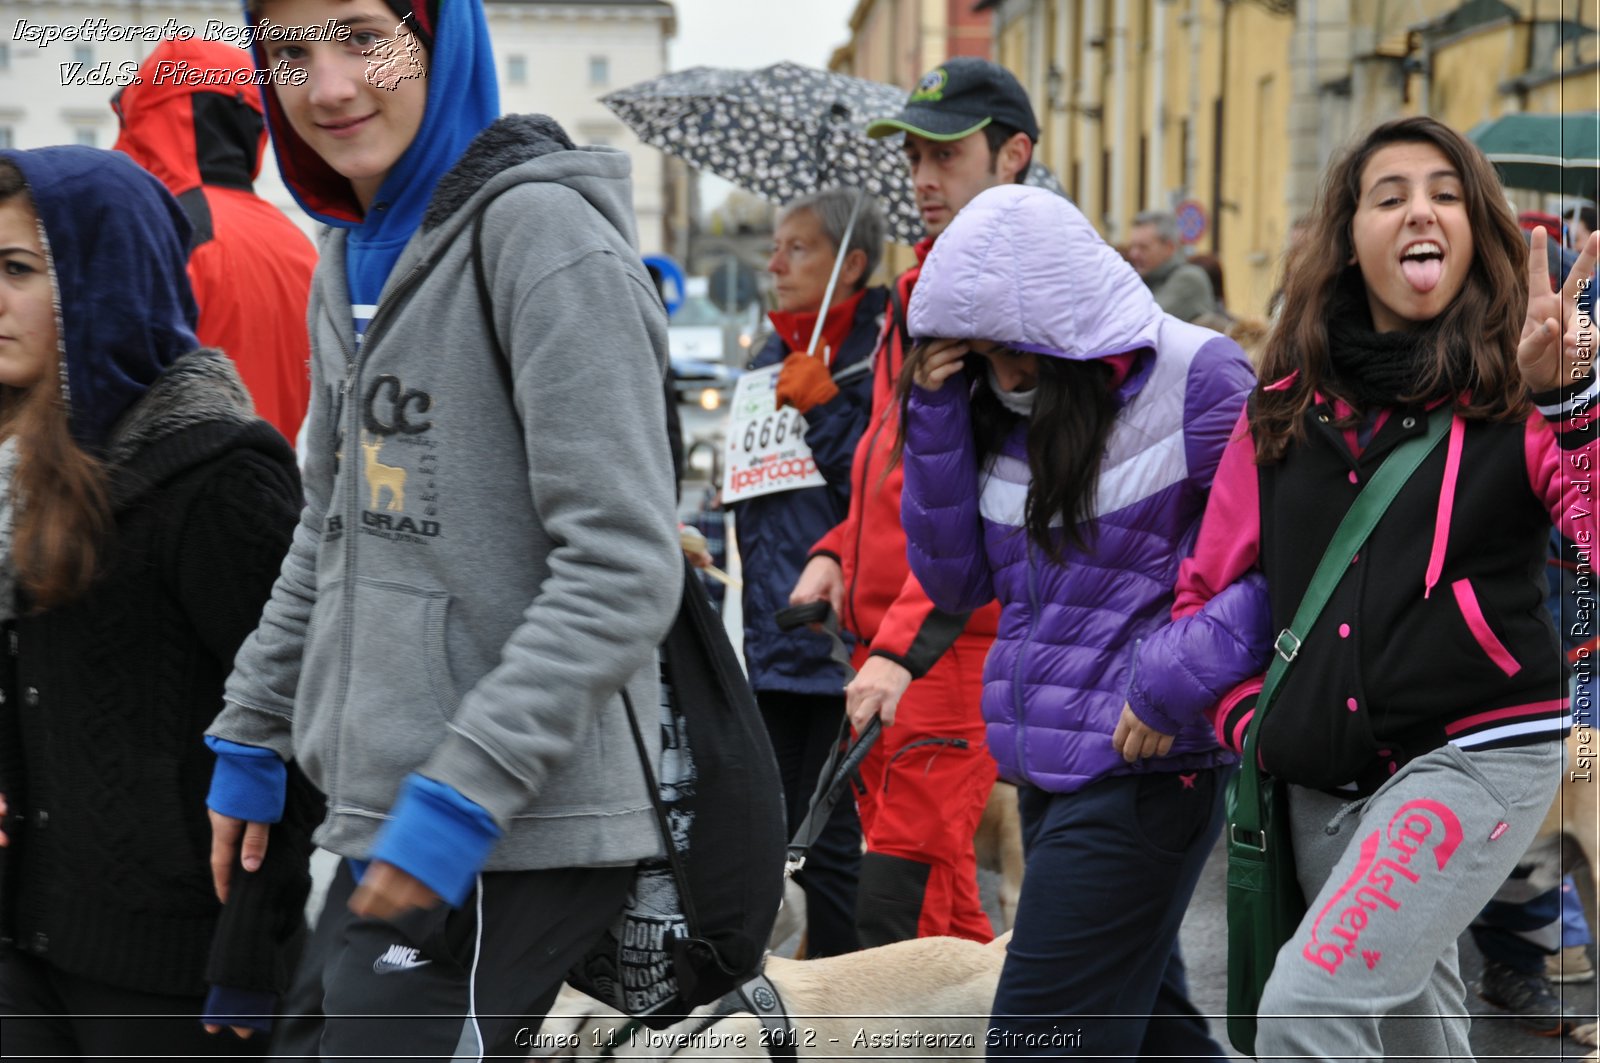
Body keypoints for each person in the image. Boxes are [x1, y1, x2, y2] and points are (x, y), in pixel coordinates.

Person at [202, 0, 681, 1056]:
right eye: (288, 50)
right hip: (385, 815)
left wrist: (460, 798)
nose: (327, 87)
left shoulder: (542, 239)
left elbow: (624, 567)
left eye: (365, 35)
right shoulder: (347, 252)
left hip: (513, 833)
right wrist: (253, 725)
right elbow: (332, 523)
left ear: (442, 36)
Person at [1130, 114, 1598, 1060]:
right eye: (1390, 196)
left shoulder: (1523, 388)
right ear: (1349, 236)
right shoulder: (1280, 408)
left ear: (1476, 233)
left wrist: (1573, 405)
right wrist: (1248, 718)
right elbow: (1210, 597)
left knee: (1307, 1011)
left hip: (1475, 754)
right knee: (1413, 1033)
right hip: (1323, 776)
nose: (1419, 211)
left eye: (1446, 194)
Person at [896, 183, 1254, 1059]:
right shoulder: (1002, 414)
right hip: (1049, 774)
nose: (1002, 375)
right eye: (976, 355)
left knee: (1035, 1039)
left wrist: (1170, 682)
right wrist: (937, 418)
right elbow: (955, 580)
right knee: (1157, 1036)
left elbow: (1275, 564)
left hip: (1147, 765)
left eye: (1009, 350)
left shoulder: (1198, 375)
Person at [0, 147, 311, 1055]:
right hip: (30, 933)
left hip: (174, 967)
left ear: (106, 273)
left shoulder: (215, 474)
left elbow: (295, 724)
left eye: (18, 269)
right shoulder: (18, 464)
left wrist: (253, 954)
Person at [786, 56, 1037, 948]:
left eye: (945, 155)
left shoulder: (1011, 294)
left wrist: (898, 649)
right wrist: (837, 550)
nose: (922, 179)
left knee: (902, 910)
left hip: (946, 651)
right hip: (894, 645)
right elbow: (895, 468)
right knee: (943, 911)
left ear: (1013, 154)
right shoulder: (923, 285)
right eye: (912, 158)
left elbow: (993, 505)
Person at [736, 186, 887, 957]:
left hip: (838, 642)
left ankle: (842, 1004)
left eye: (799, 248)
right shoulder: (771, 349)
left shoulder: (878, 348)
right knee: (774, 833)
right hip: (771, 639)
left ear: (851, 263)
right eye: (775, 245)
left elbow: (880, 487)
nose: (776, 262)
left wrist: (826, 405)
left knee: (829, 845)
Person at [112, 36, 317, 446]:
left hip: (168, 498)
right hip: (276, 487)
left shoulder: (161, 228)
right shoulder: (297, 240)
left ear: (150, 115)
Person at [1127, 210, 1215, 322]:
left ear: (1169, 247)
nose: (1133, 254)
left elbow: (1143, 319)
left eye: (1143, 247)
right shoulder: (1146, 279)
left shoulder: (1188, 279)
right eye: (1132, 246)